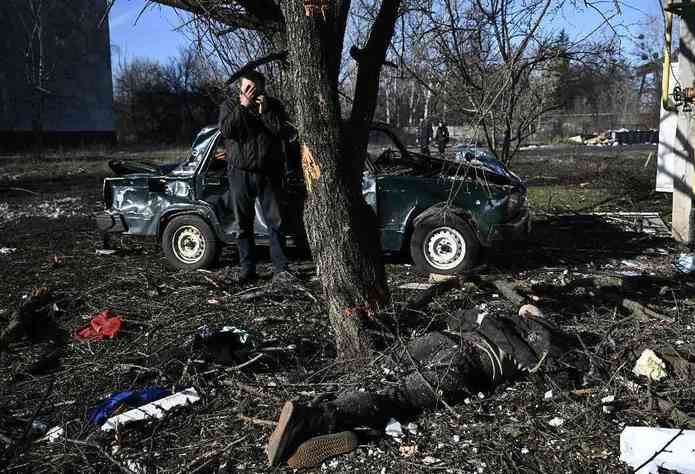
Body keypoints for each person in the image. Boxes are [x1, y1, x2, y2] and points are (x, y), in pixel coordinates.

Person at [265, 305, 585, 468]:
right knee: (394, 390)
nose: (527, 311)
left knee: (385, 377)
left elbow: (470, 317)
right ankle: (321, 419)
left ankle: (318, 418)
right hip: (460, 357)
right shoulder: (529, 338)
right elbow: (464, 316)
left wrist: (491, 324)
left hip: (458, 354)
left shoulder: (539, 337)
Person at [219, 71, 295, 283]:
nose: (251, 92)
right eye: (247, 88)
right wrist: (242, 107)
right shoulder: (229, 106)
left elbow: (285, 133)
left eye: (255, 88)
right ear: (240, 88)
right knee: (243, 223)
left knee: (276, 222)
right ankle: (247, 268)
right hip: (240, 172)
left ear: (262, 88)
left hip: (269, 172)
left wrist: (266, 113)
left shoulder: (274, 105)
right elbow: (226, 131)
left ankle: (280, 269)